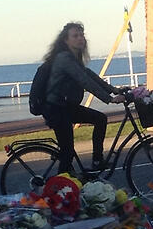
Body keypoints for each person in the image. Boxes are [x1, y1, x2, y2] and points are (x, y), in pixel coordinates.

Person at [41, 22, 125, 173]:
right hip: (56, 109)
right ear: (66, 40)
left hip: (66, 107)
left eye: (82, 35)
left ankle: (97, 161)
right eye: (75, 36)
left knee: (100, 119)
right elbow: (84, 81)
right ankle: (58, 190)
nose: (80, 39)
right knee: (67, 153)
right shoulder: (64, 58)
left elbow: (90, 75)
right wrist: (109, 99)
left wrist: (114, 90)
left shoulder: (74, 57)